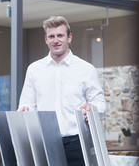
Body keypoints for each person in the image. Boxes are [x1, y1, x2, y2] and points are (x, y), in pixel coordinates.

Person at [18, 16, 106, 166]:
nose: (55, 40)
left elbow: (101, 105)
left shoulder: (86, 69)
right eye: (51, 36)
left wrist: (93, 108)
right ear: (46, 39)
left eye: (60, 35)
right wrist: (24, 110)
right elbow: (26, 103)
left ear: (69, 38)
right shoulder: (34, 70)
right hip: (44, 141)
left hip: (77, 143)